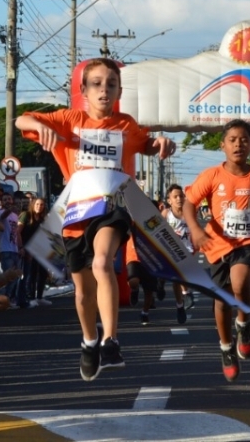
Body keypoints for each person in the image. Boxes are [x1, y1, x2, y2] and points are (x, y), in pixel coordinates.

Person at [15, 57, 175, 381]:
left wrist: (161, 143)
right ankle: (90, 341)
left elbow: (147, 144)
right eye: (97, 84)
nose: (105, 90)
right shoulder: (69, 119)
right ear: (84, 90)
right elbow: (21, 120)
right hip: (76, 212)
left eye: (111, 84)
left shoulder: (126, 125)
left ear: (119, 91)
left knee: (103, 263)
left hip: (113, 207)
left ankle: (111, 341)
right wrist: (40, 126)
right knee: (83, 292)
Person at [183, 119, 250, 383]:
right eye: (233, 140)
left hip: (248, 240)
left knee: (240, 282)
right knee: (222, 299)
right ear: (223, 145)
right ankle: (226, 347)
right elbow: (189, 203)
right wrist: (195, 229)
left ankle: (243, 324)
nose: (239, 144)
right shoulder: (211, 176)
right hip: (218, 244)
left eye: (244, 140)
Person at [163, 185, 192, 323]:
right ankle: (180, 305)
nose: (179, 199)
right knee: (176, 278)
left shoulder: (189, 212)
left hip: (188, 250)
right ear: (169, 200)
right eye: (175, 197)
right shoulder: (166, 214)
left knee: (182, 275)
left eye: (181, 196)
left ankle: (186, 292)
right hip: (172, 251)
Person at [18, 195, 50, 308]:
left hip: (40, 249)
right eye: (37, 204)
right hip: (27, 248)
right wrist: (21, 247)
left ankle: (39, 296)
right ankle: (30, 297)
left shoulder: (43, 218)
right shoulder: (26, 215)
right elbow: (18, 231)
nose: (39, 206)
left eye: (41, 205)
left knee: (43, 272)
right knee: (31, 273)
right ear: (33, 205)